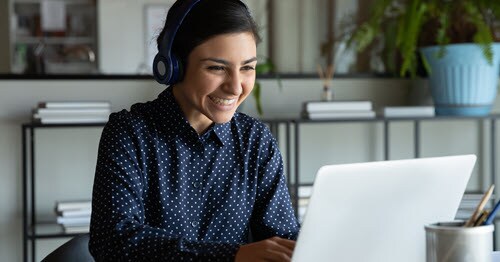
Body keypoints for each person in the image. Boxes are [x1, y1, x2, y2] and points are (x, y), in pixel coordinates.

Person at [89, 0, 300, 261]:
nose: (236, 87)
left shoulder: (255, 140)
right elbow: (113, 242)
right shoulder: (130, 134)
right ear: (173, 66)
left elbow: (282, 238)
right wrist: (232, 256)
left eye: (247, 68)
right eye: (217, 68)